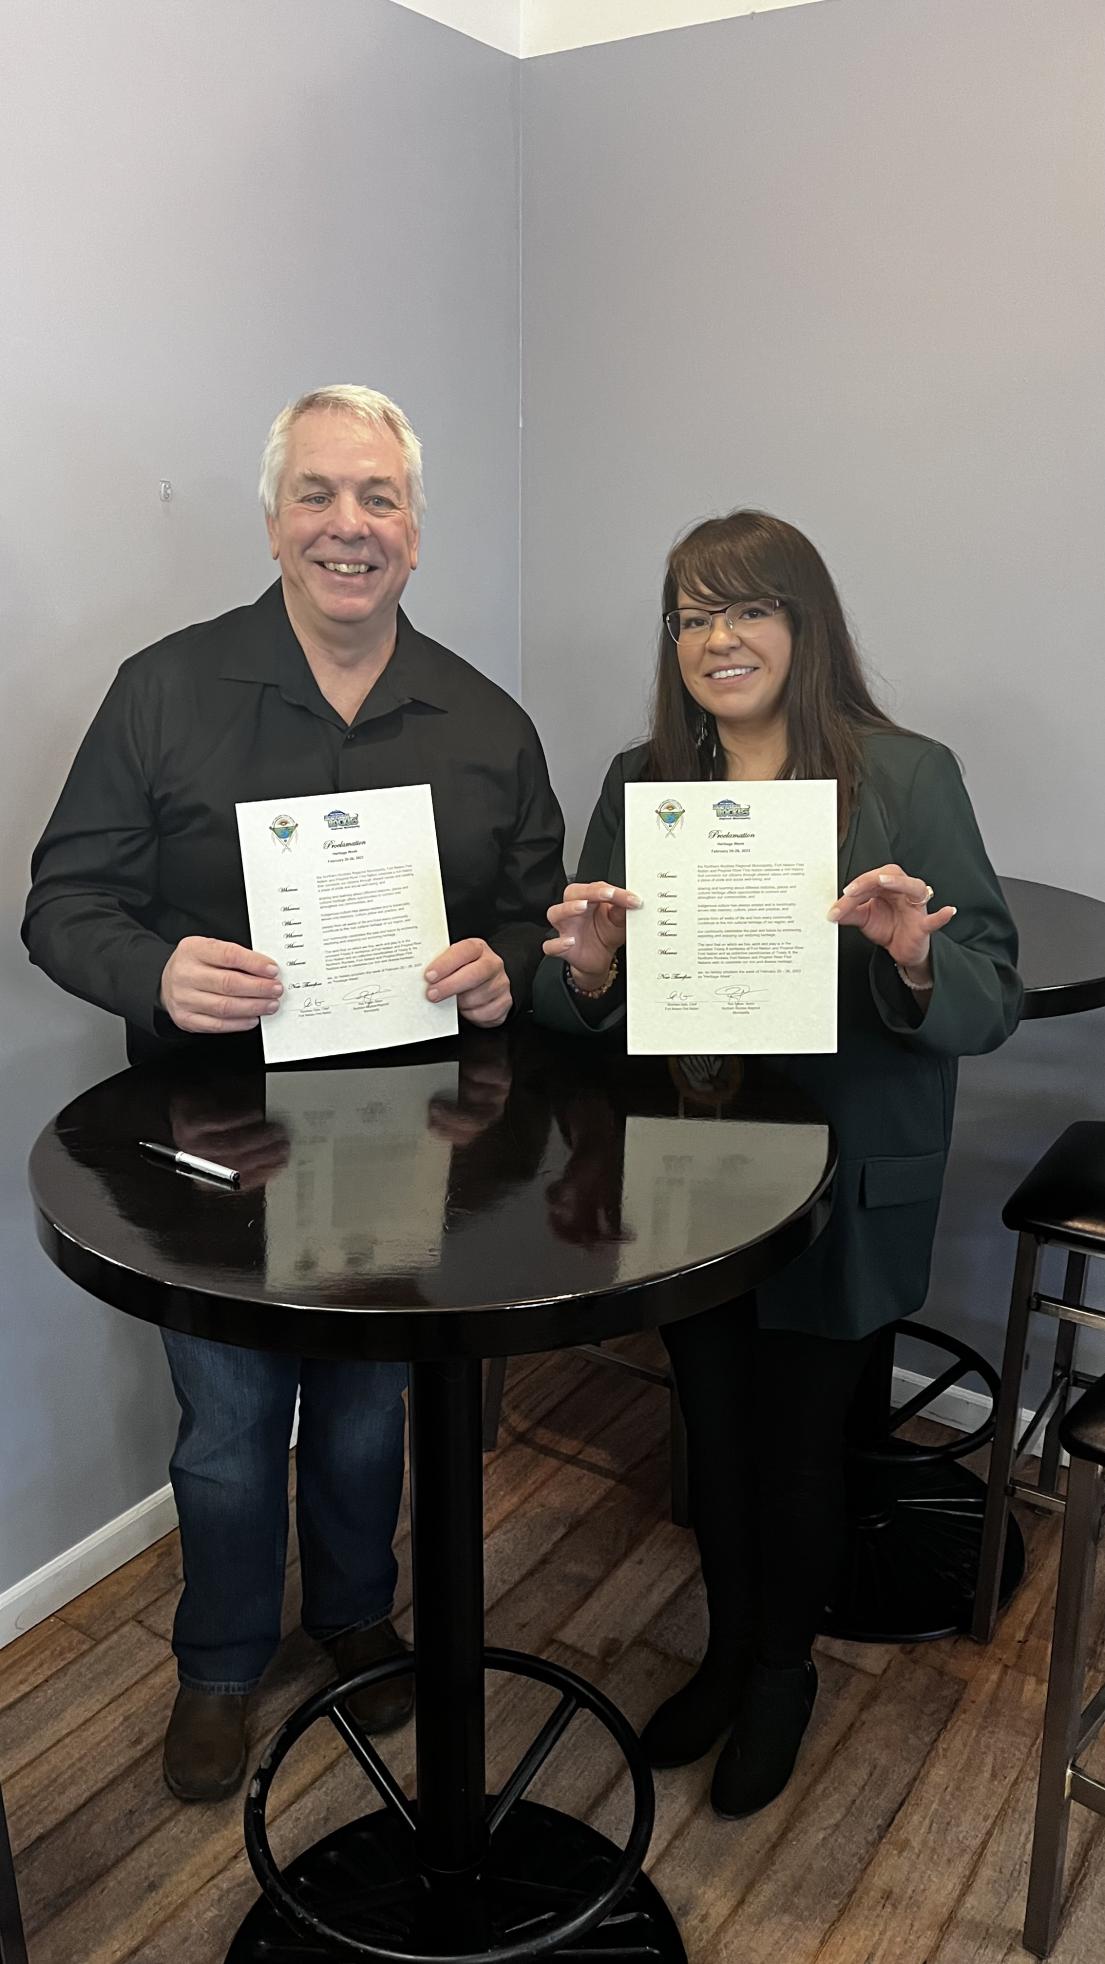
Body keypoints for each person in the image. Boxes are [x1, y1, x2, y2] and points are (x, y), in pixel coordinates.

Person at [23, 385, 565, 1802]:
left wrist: (505, 969)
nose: (348, 524)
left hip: (402, 1149)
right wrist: (154, 970)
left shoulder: (486, 723)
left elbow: (534, 921)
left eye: (377, 497)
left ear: (414, 529)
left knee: (370, 1418)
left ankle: (350, 1615)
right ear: (273, 521)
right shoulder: (164, 691)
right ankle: (217, 1663)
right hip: (202, 1153)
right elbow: (61, 900)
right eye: (319, 494)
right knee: (224, 1435)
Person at [534, 509, 1021, 1819]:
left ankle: (780, 1675)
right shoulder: (640, 788)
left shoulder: (906, 776)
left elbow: (990, 991)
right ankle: (726, 1654)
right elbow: (586, 1001)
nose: (717, 637)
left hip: (838, 1179)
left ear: (802, 628)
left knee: (799, 1452)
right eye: (690, 614)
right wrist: (586, 972)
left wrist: (916, 953)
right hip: (688, 1176)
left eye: (745, 608)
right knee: (715, 1435)